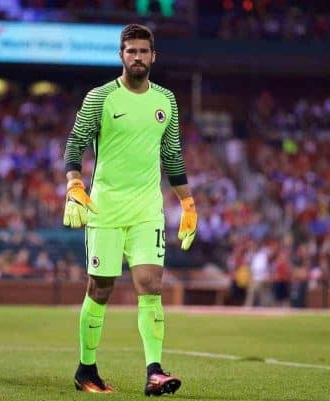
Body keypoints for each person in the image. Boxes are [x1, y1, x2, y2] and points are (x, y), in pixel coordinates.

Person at [63, 23, 197, 396]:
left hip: (147, 209)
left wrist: (187, 202)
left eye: (143, 51)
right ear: (121, 55)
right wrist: (74, 183)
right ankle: (86, 370)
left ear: (154, 56)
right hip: (104, 208)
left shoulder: (166, 101)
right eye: (131, 51)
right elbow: (74, 145)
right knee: (100, 287)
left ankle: (154, 371)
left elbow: (171, 155)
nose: (137, 57)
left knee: (151, 286)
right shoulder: (101, 98)